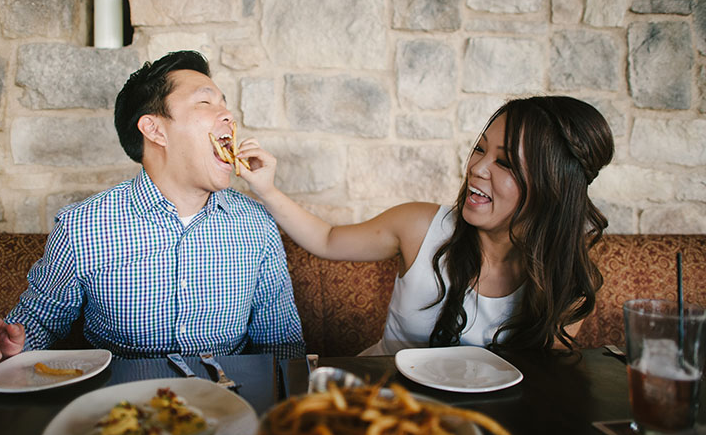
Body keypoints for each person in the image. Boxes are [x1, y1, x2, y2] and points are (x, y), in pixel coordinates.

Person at [0, 50, 305, 367]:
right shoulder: (82, 226)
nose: (228, 114)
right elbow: (38, 325)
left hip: (230, 405)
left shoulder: (256, 224)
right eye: (205, 102)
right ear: (155, 130)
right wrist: (3, 346)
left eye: (225, 103)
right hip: (119, 413)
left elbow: (283, 343)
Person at [237, 96, 614, 354]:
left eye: (506, 163)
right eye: (480, 149)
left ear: (553, 189)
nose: (477, 169)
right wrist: (266, 190)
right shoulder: (419, 225)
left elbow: (541, 391)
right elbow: (327, 239)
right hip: (385, 405)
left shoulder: (566, 283)